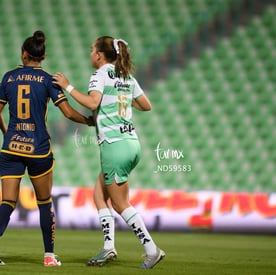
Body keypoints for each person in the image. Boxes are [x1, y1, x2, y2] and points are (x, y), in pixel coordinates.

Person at [0, 30, 93, 267]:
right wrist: (89, 121)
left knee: (8, 202)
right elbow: (68, 112)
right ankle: (49, 257)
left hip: (11, 148)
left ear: (24, 53)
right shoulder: (48, 80)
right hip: (38, 149)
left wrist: (6, 133)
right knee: (44, 202)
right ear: (43, 56)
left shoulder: (9, 77)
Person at [53, 36, 165, 269]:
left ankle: (151, 249)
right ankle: (109, 247)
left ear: (99, 55)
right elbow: (146, 105)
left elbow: (92, 103)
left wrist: (68, 86)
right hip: (131, 143)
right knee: (99, 194)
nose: (90, 53)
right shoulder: (127, 76)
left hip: (114, 145)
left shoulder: (101, 74)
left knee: (120, 203)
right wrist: (120, 100)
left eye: (92, 49)